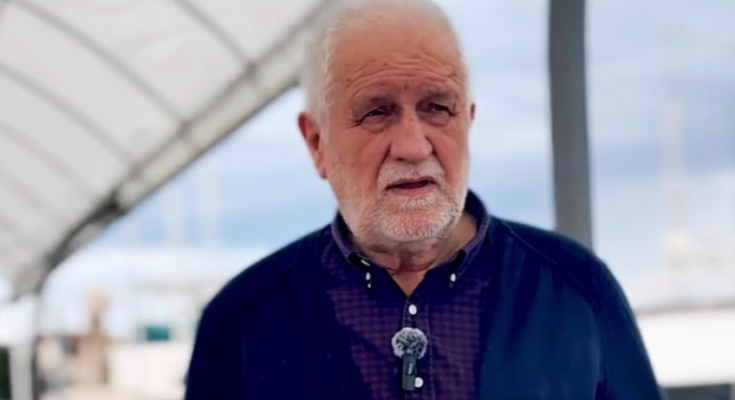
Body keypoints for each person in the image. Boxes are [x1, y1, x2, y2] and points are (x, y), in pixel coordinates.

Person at [184, 0, 663, 399]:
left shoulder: (577, 288)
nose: (413, 146)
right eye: (377, 112)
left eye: (437, 107)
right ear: (317, 143)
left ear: (467, 122)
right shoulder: (241, 321)